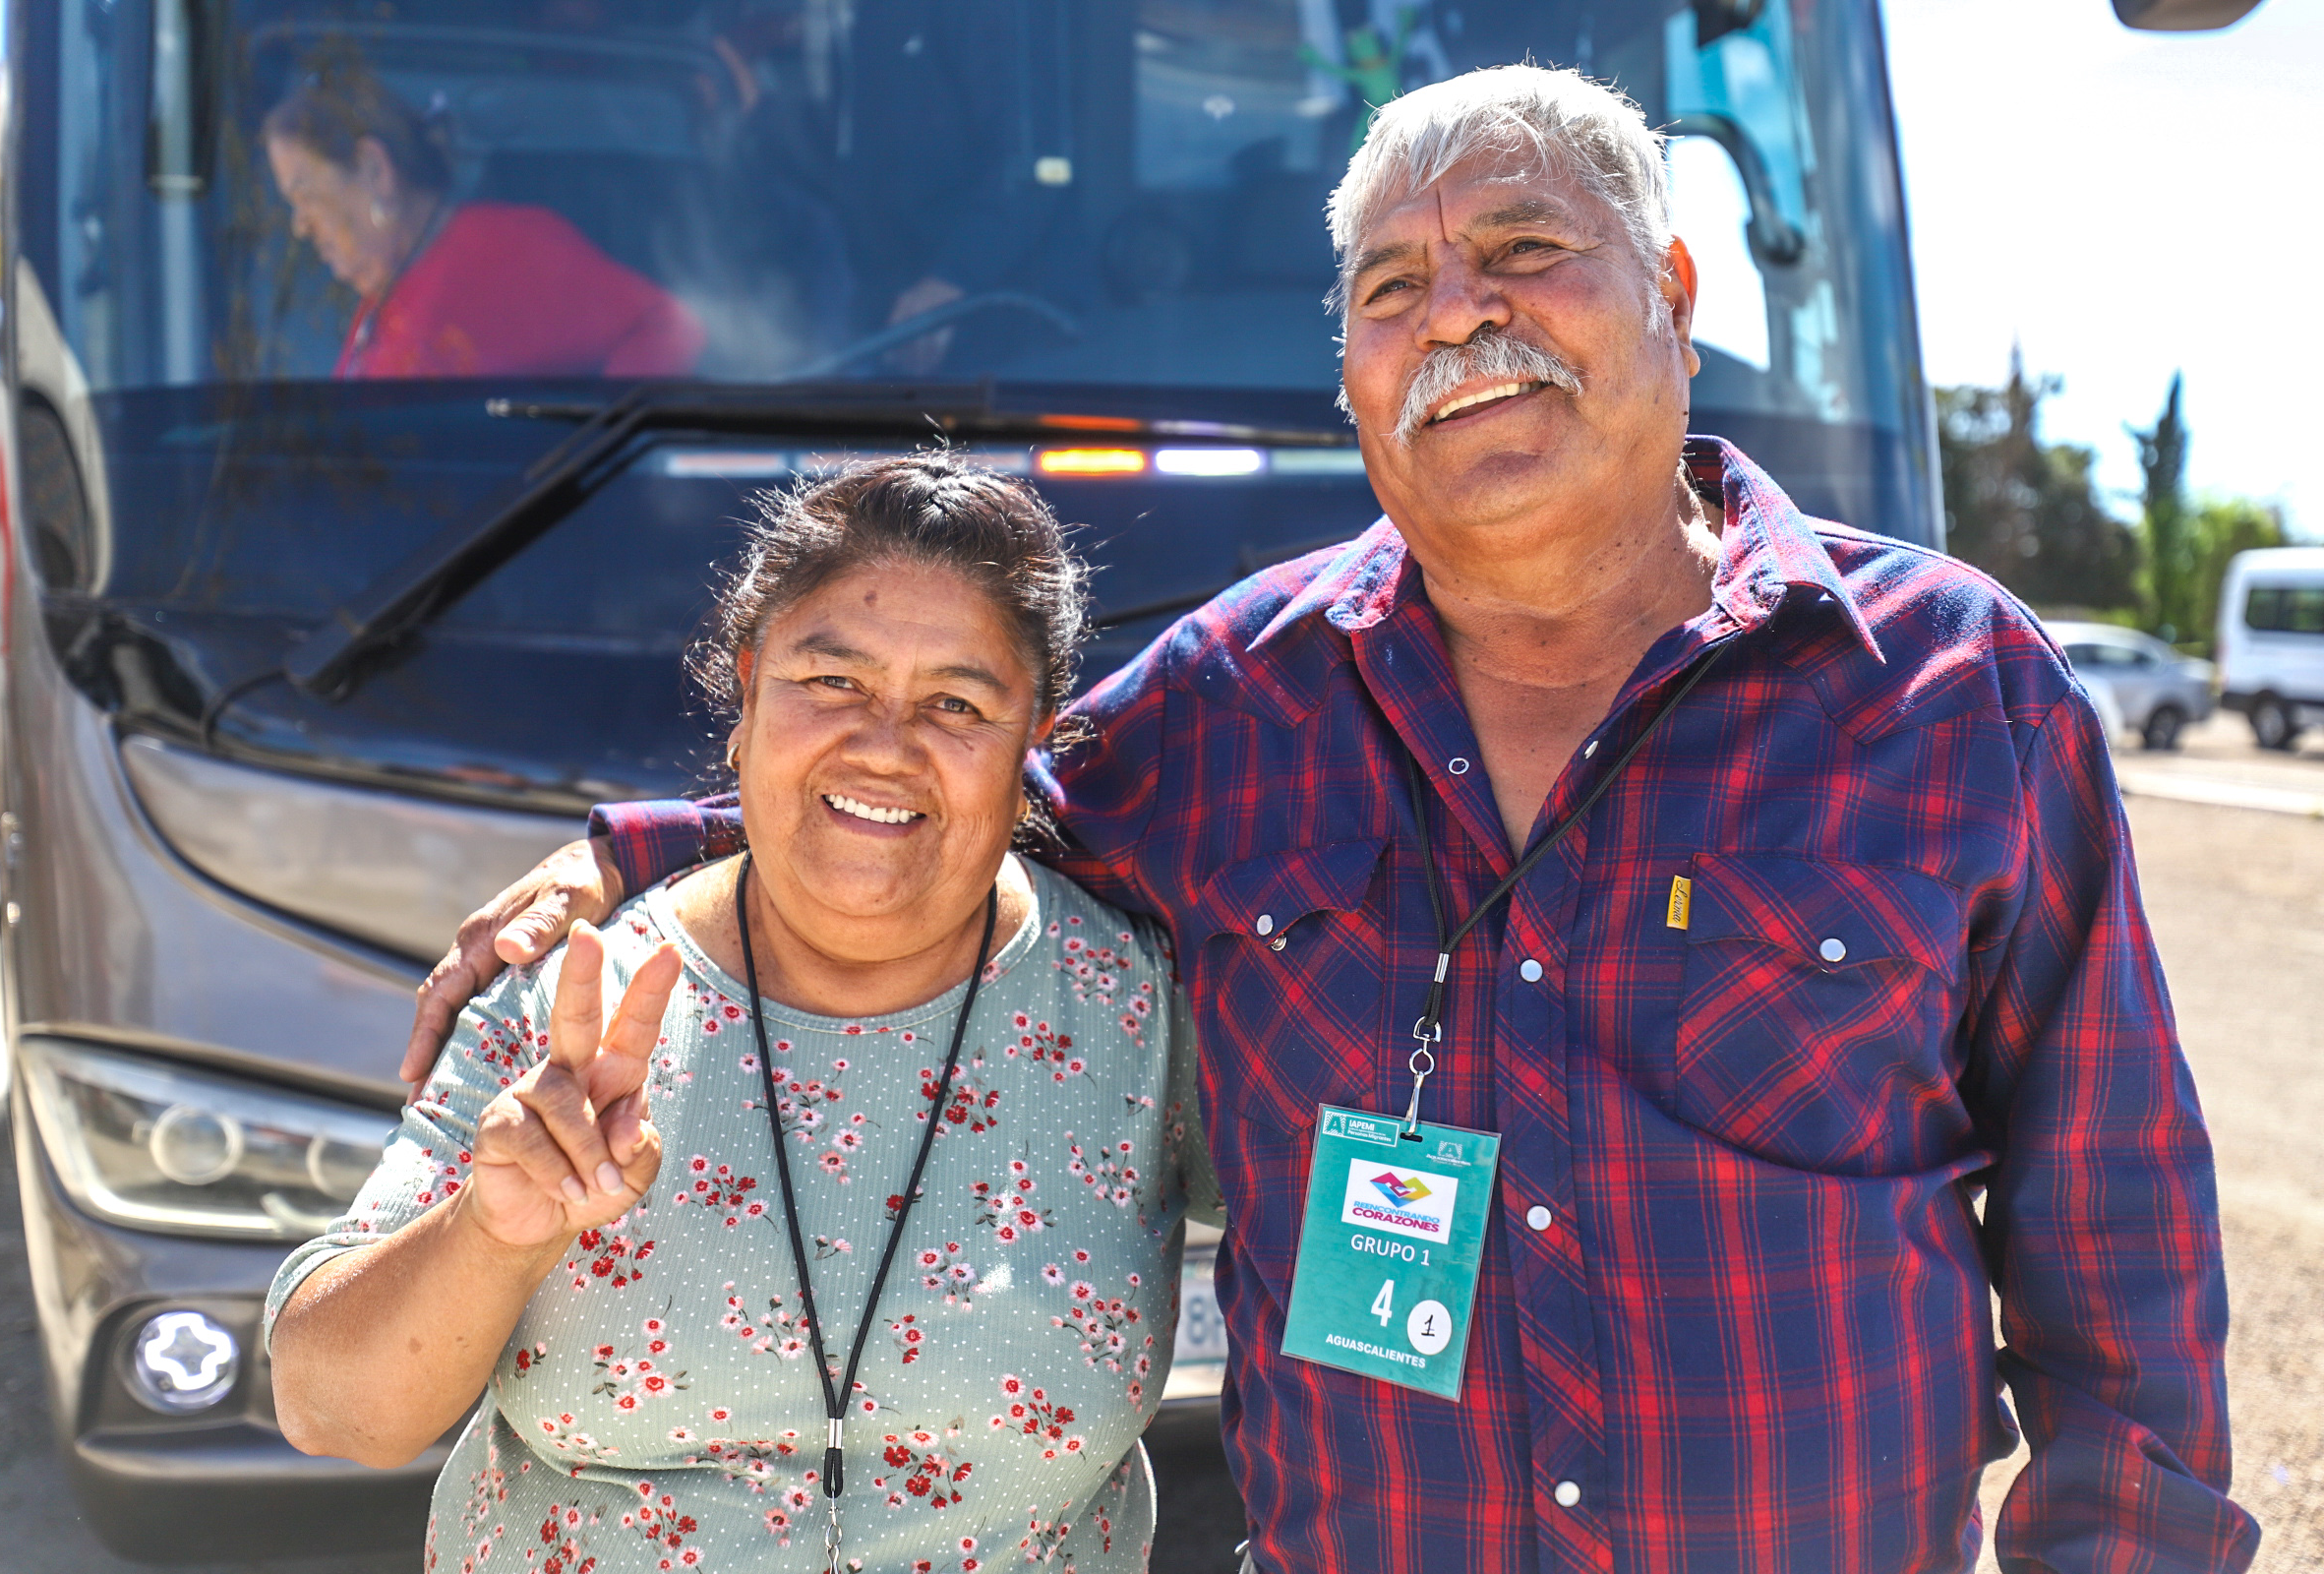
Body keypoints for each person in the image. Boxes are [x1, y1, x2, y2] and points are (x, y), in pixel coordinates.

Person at [412, 66, 2259, 1573]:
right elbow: (964, 800)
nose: (1460, 316)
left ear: (1679, 303)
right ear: (1357, 383)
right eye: (1395, 291)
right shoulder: (1242, 695)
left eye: (1527, 253)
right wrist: (632, 852)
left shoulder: (1953, 687)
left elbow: (2120, 1239)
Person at [269, 455, 1219, 1572]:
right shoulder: (575, 993)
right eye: (832, 682)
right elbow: (333, 1410)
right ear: (749, 689)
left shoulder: (1139, 1010)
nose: (884, 742)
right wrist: (492, 1234)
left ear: (1032, 750)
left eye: (956, 703)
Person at [263, 63, 705, 379]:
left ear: (375, 170)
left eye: (306, 196)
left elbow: (665, 327)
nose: (300, 226)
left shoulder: (506, 252)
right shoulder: (381, 295)